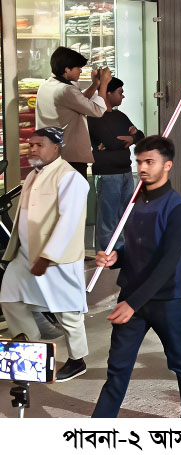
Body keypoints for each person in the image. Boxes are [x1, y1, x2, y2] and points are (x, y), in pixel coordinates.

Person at [92, 135, 181, 418]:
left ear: (167, 165)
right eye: (139, 161)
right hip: (132, 296)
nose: (142, 167)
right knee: (117, 369)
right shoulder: (134, 202)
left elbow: (168, 262)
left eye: (149, 162)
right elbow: (135, 248)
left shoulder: (178, 207)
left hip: (168, 299)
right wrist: (116, 258)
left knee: (179, 361)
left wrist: (132, 304)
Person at [0, 127, 90, 382]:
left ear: (56, 148)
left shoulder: (70, 178)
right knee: (10, 298)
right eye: (31, 145)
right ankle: (31, 348)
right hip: (25, 254)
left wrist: (48, 256)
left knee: (67, 312)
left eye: (39, 145)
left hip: (57, 259)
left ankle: (77, 360)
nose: (33, 149)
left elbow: (68, 222)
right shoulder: (33, 175)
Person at [87, 77, 144, 252]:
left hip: (126, 172)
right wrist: (126, 139)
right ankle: (106, 257)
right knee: (108, 219)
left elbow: (140, 136)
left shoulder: (120, 116)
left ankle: (122, 254)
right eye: (120, 92)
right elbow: (111, 142)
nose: (123, 96)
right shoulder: (95, 116)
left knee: (126, 217)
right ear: (108, 93)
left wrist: (132, 138)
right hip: (107, 174)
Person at [36, 46, 110, 175]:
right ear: (67, 69)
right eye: (78, 68)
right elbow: (97, 110)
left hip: (52, 154)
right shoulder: (66, 90)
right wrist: (104, 84)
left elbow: (78, 101)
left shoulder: (45, 86)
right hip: (70, 158)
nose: (80, 71)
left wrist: (95, 84)